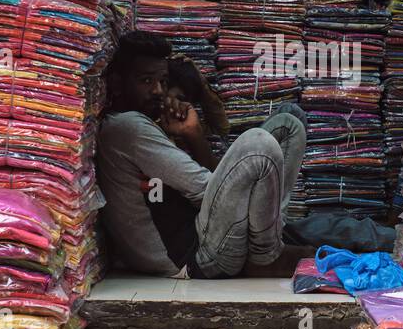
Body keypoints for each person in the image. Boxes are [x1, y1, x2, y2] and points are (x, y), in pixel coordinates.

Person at [96, 30, 312, 279]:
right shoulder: (128, 127)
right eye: (146, 81)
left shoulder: (147, 123)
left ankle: (265, 245)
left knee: (288, 124)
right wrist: (250, 190)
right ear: (117, 84)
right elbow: (205, 189)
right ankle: (265, 255)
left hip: (203, 236)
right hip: (195, 258)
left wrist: (193, 135)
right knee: (258, 143)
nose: (157, 91)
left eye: (162, 82)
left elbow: (208, 187)